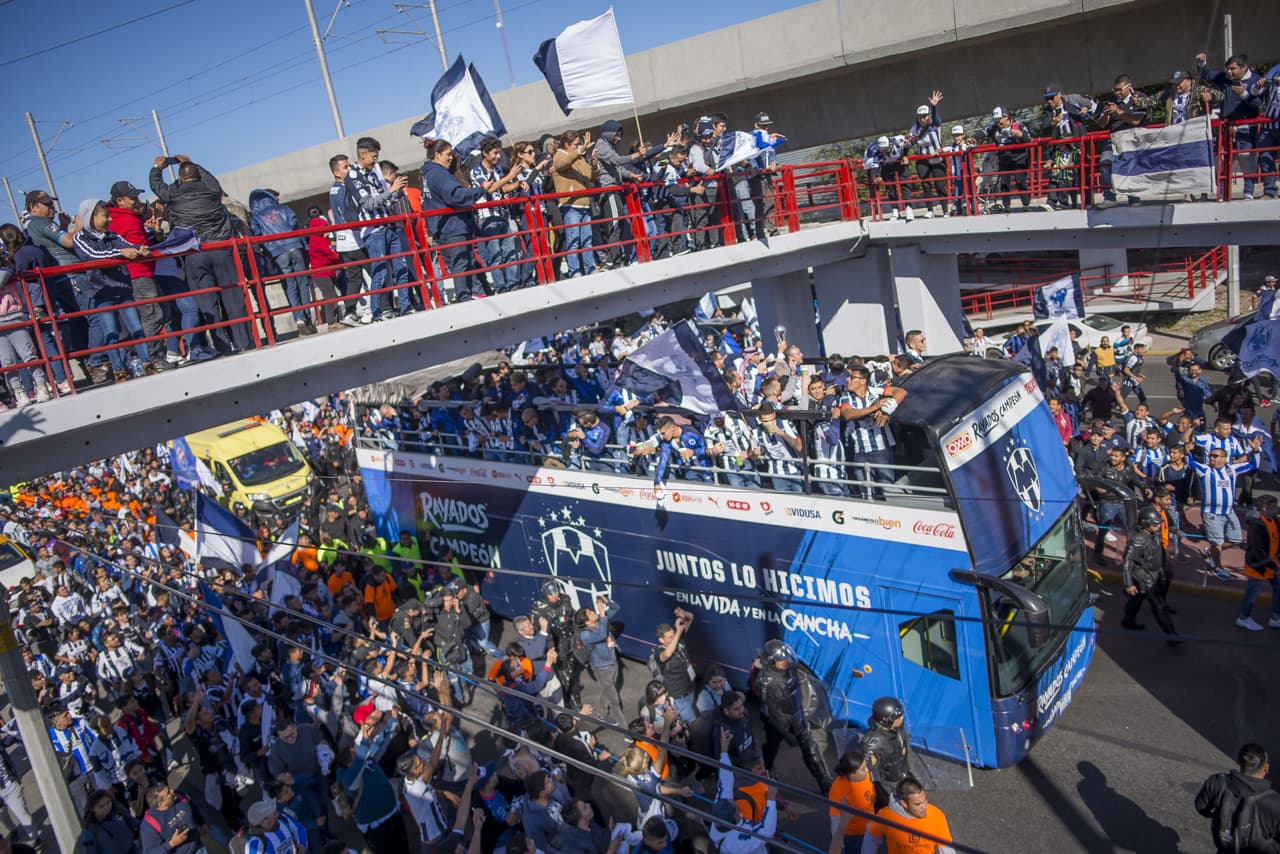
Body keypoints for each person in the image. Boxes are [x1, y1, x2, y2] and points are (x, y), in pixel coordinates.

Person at [148, 156, 254, 352]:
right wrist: (191, 162)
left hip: (194, 254)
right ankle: (244, 342)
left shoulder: (172, 193)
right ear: (198, 176)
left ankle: (222, 346)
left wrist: (158, 167)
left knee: (207, 304)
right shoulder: (212, 190)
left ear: (180, 179)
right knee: (234, 299)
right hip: (222, 250)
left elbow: (156, 185)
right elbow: (212, 179)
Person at [71, 200, 154, 383]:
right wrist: (120, 253)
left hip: (122, 289)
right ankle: (119, 371)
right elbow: (91, 255)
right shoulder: (80, 239)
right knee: (111, 334)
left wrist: (139, 249)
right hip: (102, 293)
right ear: (91, 217)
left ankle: (148, 363)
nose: (109, 219)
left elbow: (128, 245)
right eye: (105, 216)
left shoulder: (112, 235)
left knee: (137, 329)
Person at [106, 180, 175, 373]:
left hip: (143, 273)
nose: (137, 201)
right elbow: (134, 247)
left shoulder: (124, 217)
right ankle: (151, 358)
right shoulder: (125, 219)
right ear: (120, 201)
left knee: (162, 310)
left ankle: (151, 355)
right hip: (139, 274)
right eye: (133, 198)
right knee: (153, 315)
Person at [345, 137, 412, 319]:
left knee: (401, 267)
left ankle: (406, 306)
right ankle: (376, 312)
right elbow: (367, 204)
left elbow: (386, 200)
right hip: (373, 231)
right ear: (362, 154)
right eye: (373, 157)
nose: (376, 161)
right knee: (380, 272)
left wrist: (396, 191)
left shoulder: (374, 173)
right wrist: (390, 191)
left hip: (389, 225)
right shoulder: (352, 175)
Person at [754, 639, 833, 790]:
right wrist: (785, 732)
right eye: (781, 660)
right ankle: (768, 769)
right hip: (778, 720)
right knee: (772, 746)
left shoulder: (790, 669)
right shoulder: (765, 682)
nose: (786, 662)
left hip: (797, 715)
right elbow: (767, 710)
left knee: (811, 747)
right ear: (771, 661)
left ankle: (824, 781)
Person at [420, 140, 488, 302]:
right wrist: (481, 189)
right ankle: (464, 296)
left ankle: (473, 293)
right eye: (448, 154)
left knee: (464, 262)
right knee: (461, 262)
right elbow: (455, 196)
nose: (451, 158)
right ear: (437, 155)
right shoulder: (438, 174)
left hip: (442, 226)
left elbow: (427, 204)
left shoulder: (428, 174)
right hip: (452, 226)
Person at [1191, 433, 1263, 575]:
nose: (1212, 458)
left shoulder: (1232, 470)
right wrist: (1187, 449)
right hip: (1212, 514)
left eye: (1215, 456)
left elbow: (1253, 465)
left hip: (1229, 512)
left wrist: (1255, 451)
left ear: (1224, 459)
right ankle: (1218, 567)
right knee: (1216, 542)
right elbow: (1190, 462)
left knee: (1236, 539)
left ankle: (1212, 552)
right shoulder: (1204, 470)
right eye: (1211, 455)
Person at [247, 189, 316, 336]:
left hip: (278, 251)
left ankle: (299, 319)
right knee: (302, 283)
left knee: (290, 286)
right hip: (295, 246)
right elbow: (293, 222)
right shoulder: (283, 208)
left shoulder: (256, 217)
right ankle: (308, 319)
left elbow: (257, 234)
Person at [1195, 743, 1280, 853]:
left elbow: (1201, 807)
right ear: (1267, 768)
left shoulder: (1217, 782)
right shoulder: (1275, 802)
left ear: (1238, 761)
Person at [1121, 506, 1181, 644]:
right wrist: (1128, 584)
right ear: (1145, 524)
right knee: (1157, 605)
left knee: (1137, 598)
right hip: (1144, 576)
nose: (1158, 526)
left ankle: (1128, 620)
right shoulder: (1138, 540)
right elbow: (1127, 563)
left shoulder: (1153, 535)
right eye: (1155, 524)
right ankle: (1171, 635)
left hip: (1153, 573)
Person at [860, 777, 954, 854]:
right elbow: (871, 838)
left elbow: (946, 849)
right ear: (904, 803)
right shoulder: (886, 815)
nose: (924, 806)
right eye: (917, 804)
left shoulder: (936, 815)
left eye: (925, 800)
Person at [1238, 495, 1280, 631]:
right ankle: (1243, 618)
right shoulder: (1257, 526)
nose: (1277, 508)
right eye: (1274, 506)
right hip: (1258, 566)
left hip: (1272, 564)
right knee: (1252, 593)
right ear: (1264, 508)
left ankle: (1275, 617)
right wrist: (1273, 565)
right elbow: (1258, 550)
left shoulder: (1275, 521)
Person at [859, 697, 910, 807]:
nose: (902, 718)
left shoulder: (897, 729)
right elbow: (874, 778)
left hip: (902, 780)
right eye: (898, 716)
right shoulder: (873, 743)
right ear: (884, 719)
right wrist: (887, 800)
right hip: (889, 788)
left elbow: (904, 751)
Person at [828, 750, 877, 854]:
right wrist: (838, 840)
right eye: (863, 769)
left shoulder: (867, 776)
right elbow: (835, 818)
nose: (867, 771)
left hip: (870, 830)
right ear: (851, 773)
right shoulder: (839, 789)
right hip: (854, 836)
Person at [238, 796, 308, 854]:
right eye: (274, 813)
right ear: (264, 821)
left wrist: (302, 844)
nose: (277, 814)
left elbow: (298, 827)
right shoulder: (255, 842)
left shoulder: (283, 819)